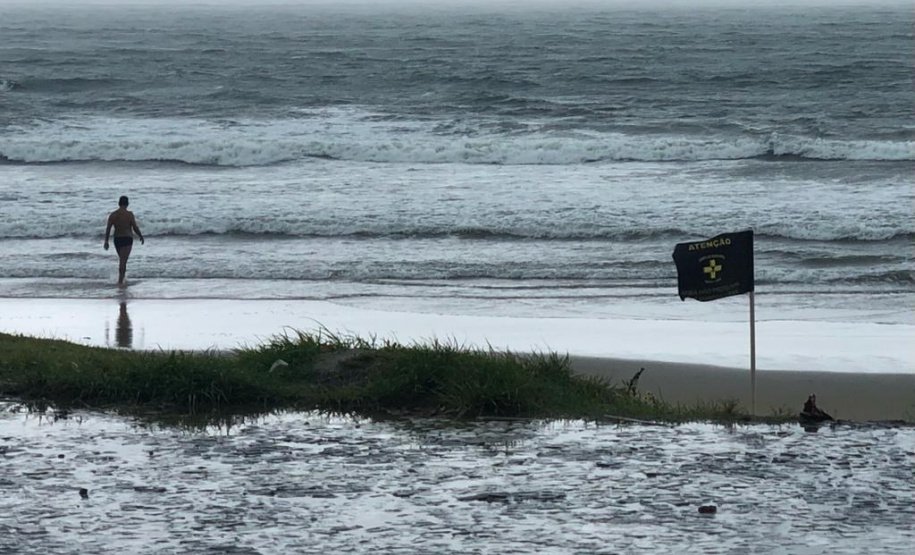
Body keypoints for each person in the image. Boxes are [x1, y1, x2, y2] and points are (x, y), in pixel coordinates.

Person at [103, 195, 145, 285]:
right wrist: (140, 236)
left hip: (117, 239)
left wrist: (106, 241)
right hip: (127, 239)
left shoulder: (113, 215)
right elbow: (135, 227)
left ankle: (122, 279)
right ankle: (120, 282)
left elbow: (108, 229)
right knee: (123, 260)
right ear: (127, 204)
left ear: (119, 203)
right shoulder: (129, 214)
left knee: (122, 259)